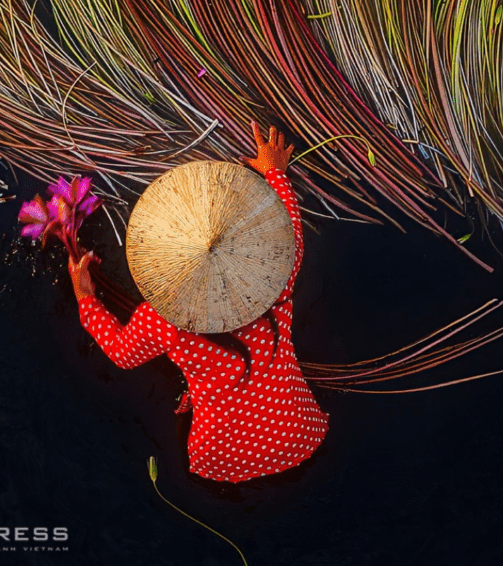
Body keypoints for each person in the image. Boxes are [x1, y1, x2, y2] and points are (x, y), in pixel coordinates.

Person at [68, 122, 329, 484]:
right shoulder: (280, 277)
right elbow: (288, 225)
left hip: (222, 451)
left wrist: (86, 299)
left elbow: (121, 354)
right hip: (298, 431)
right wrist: (275, 172)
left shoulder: (161, 320)